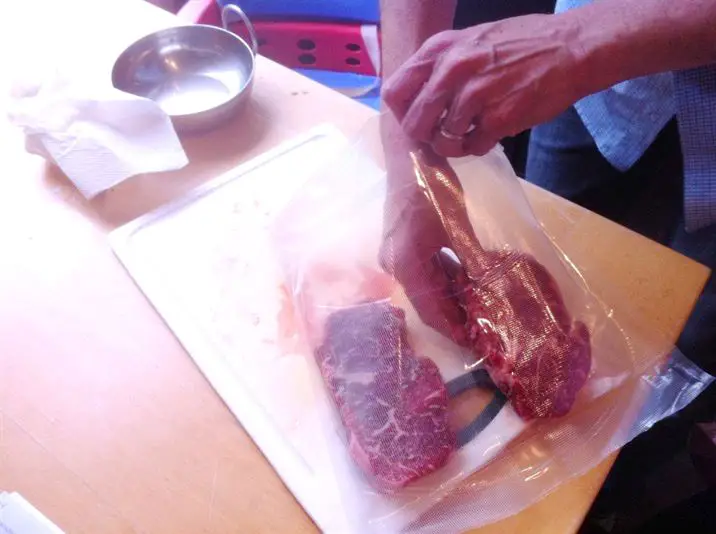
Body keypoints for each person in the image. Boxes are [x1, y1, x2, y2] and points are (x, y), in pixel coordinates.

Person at [379, 0, 716, 531]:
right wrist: (408, 171)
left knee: (688, 347)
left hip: (581, 52)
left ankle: (624, 488)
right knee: (540, 283)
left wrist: (580, 42)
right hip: (595, 95)